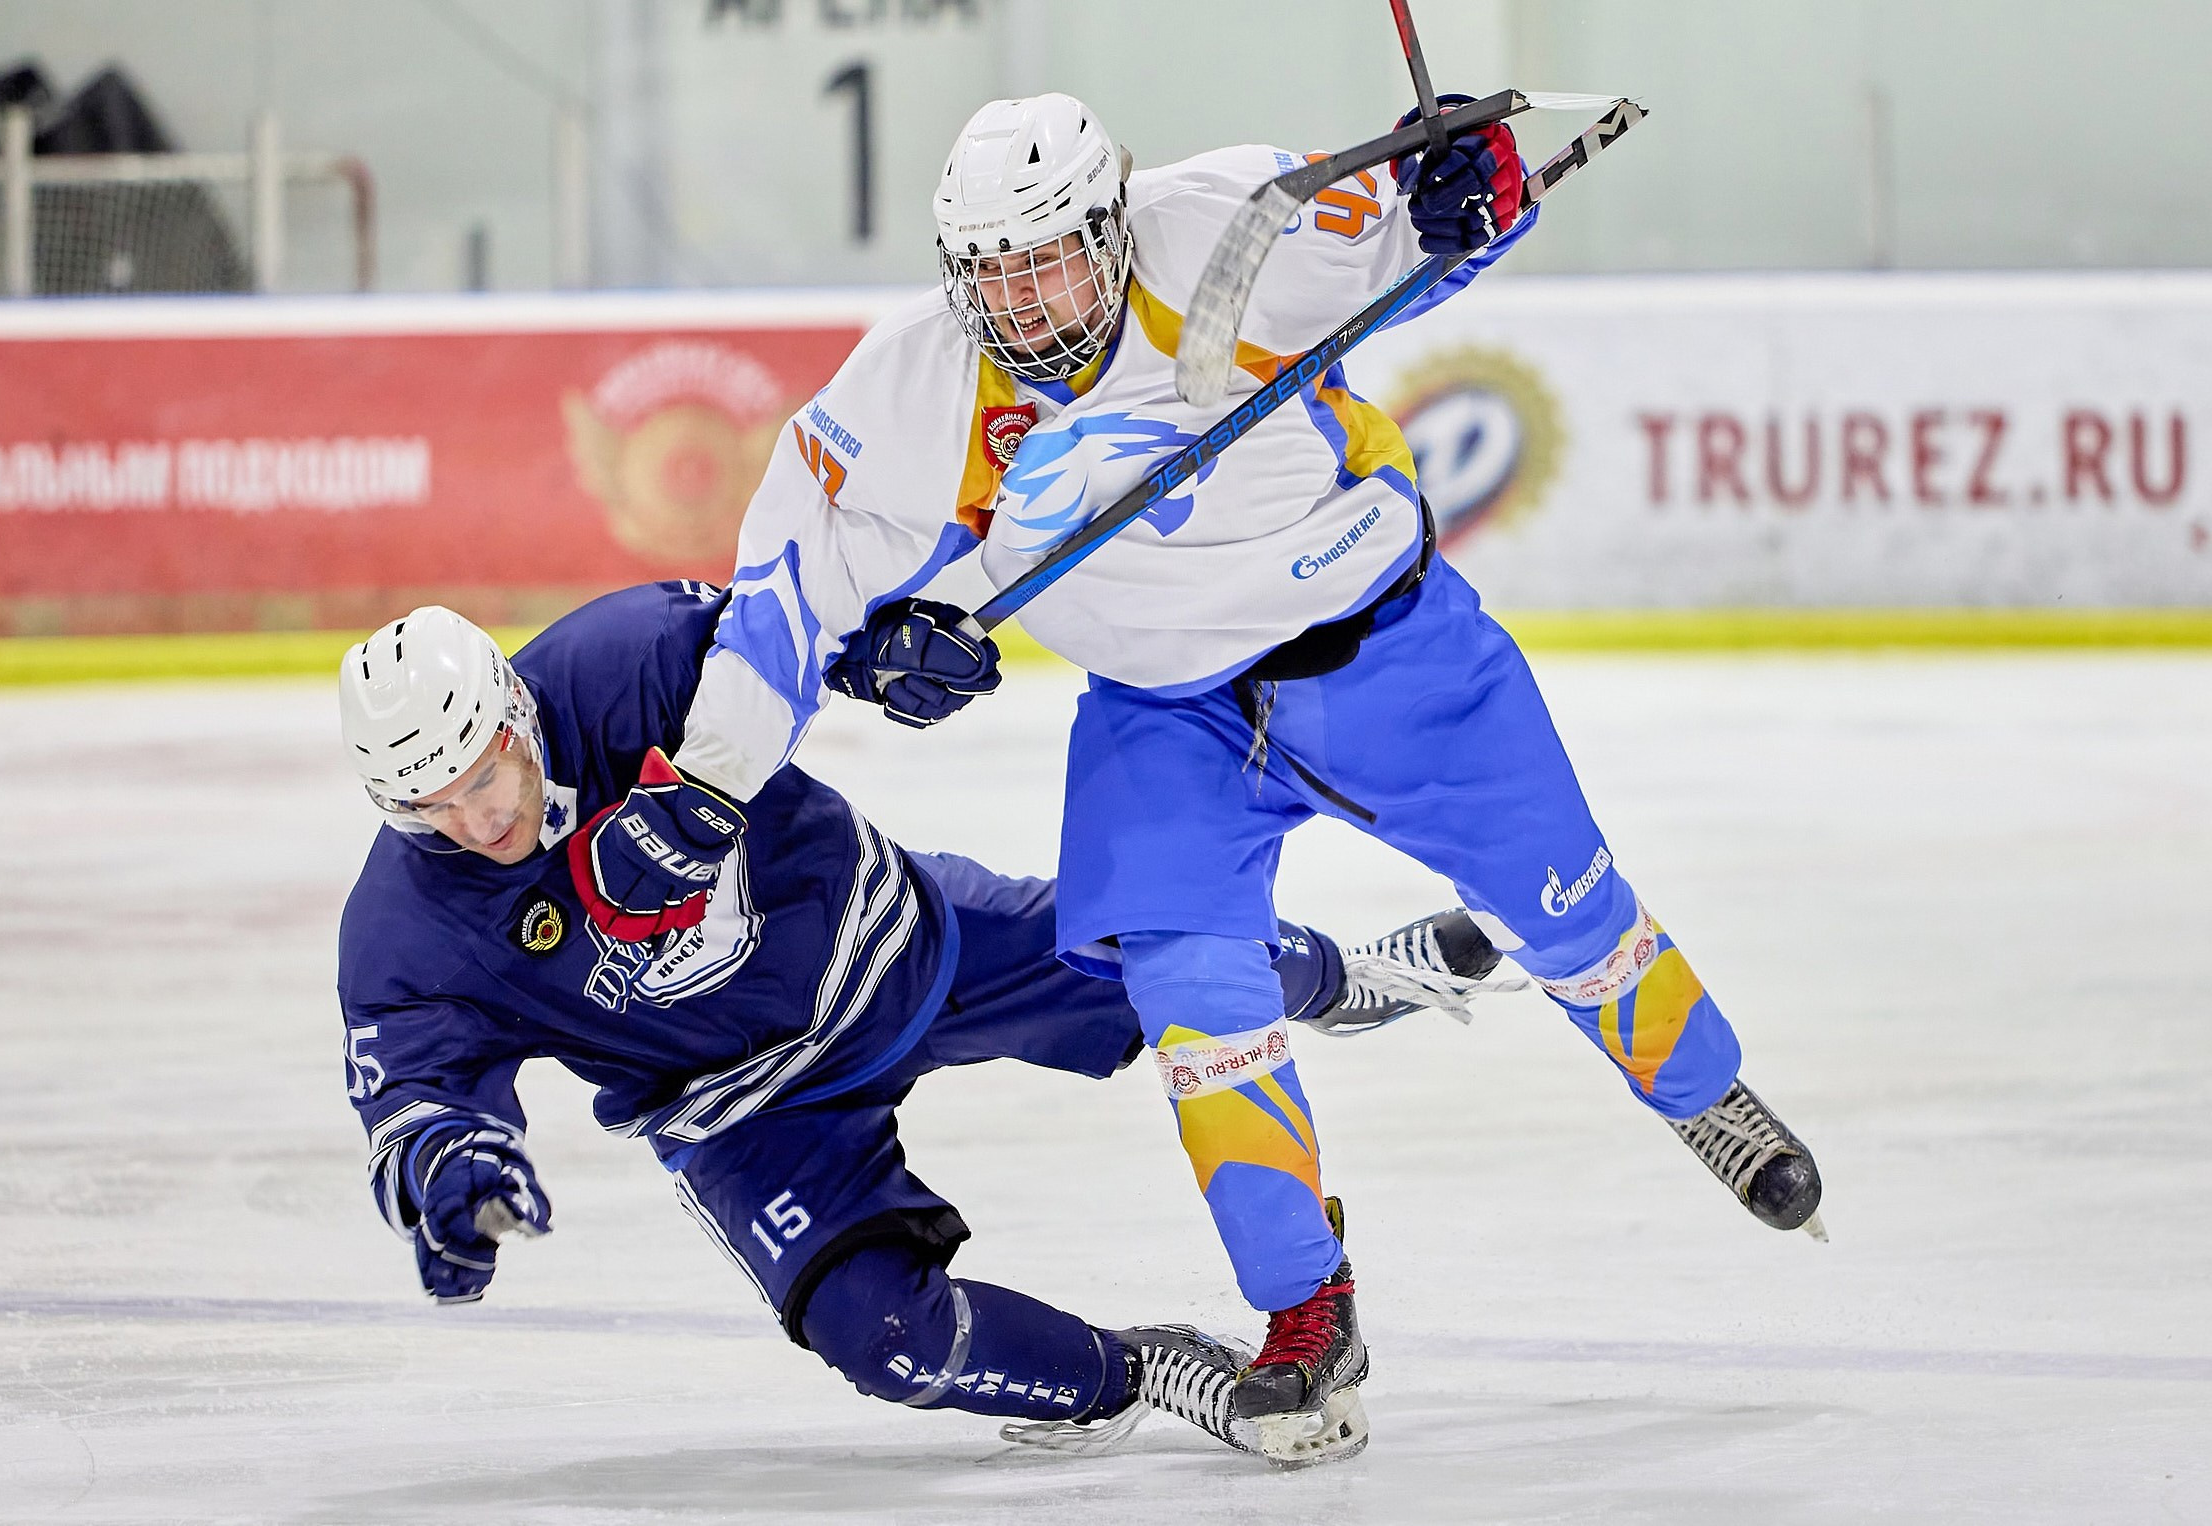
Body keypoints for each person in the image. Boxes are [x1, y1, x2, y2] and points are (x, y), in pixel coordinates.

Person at [571, 93, 1827, 1467]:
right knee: (1189, 987)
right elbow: (787, 598)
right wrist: (756, 745)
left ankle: (1703, 1090)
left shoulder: (1238, 225)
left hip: (1392, 655)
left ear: (1112, 226)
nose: (1023, 304)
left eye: (1049, 262)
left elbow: (1446, 214)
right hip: (1163, 714)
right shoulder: (910, 390)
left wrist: (1477, 186)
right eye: (992, 274)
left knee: (1567, 915)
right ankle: (1304, 1305)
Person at [334, 579, 1508, 1462]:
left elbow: (784, 632)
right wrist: (451, 1169)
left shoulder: (627, 656)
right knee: (888, 1340)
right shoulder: (403, 929)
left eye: (482, 775)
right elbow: (414, 1099)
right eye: (428, 806)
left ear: (514, 709)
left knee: (1170, 954)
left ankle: (1340, 977)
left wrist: (871, 651)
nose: (474, 820)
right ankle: (1142, 1371)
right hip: (753, 1114)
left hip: (900, 943)